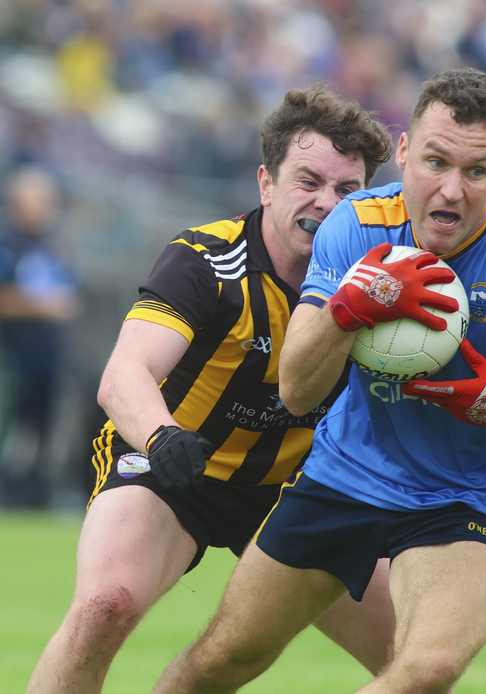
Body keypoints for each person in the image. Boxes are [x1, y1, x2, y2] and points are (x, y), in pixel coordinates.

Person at [150, 67, 486, 694]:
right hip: (342, 476)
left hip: (466, 501)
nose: (452, 190)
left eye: (477, 171)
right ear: (403, 154)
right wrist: (354, 305)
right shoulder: (356, 225)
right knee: (219, 661)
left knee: (427, 670)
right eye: (435, 162)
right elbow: (297, 390)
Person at [27, 85, 397, 694]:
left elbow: (449, 368)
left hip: (299, 490)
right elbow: (124, 376)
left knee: (415, 661)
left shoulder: (384, 282)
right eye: (308, 181)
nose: (327, 203)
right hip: (174, 470)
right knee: (104, 607)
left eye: (347, 191)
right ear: (266, 183)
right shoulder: (206, 259)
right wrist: (162, 435)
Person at [0, 165, 82, 508]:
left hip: (47, 359)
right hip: (11, 359)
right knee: (12, 426)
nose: (47, 208)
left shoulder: (53, 246)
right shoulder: (7, 244)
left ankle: (35, 496)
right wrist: (43, 306)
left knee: (42, 430)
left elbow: (72, 295)